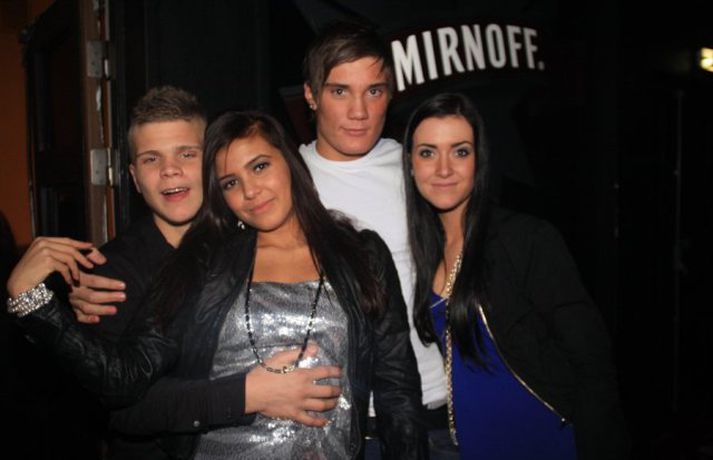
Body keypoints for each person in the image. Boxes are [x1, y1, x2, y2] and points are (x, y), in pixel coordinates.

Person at [7, 110, 426, 459]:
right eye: (230, 183)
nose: (250, 191)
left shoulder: (361, 252)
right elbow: (123, 380)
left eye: (260, 166)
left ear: (289, 162)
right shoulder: (204, 263)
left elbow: (398, 391)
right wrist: (35, 304)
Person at [64, 86, 341, 459]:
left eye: (186, 153)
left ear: (211, 165)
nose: (170, 170)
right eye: (151, 159)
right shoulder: (109, 274)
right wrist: (249, 394)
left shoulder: (250, 238)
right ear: (134, 177)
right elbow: (122, 409)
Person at [401, 92, 629, 459]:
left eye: (460, 152)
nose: (443, 169)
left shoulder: (525, 238)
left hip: (542, 441)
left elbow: (593, 363)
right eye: (428, 153)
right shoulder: (425, 251)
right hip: (474, 445)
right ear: (411, 165)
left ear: (479, 160)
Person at [300, 21, 454, 456]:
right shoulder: (286, 183)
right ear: (311, 95)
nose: (359, 111)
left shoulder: (421, 169)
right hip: (330, 424)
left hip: (435, 410)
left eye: (374, 91)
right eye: (340, 91)